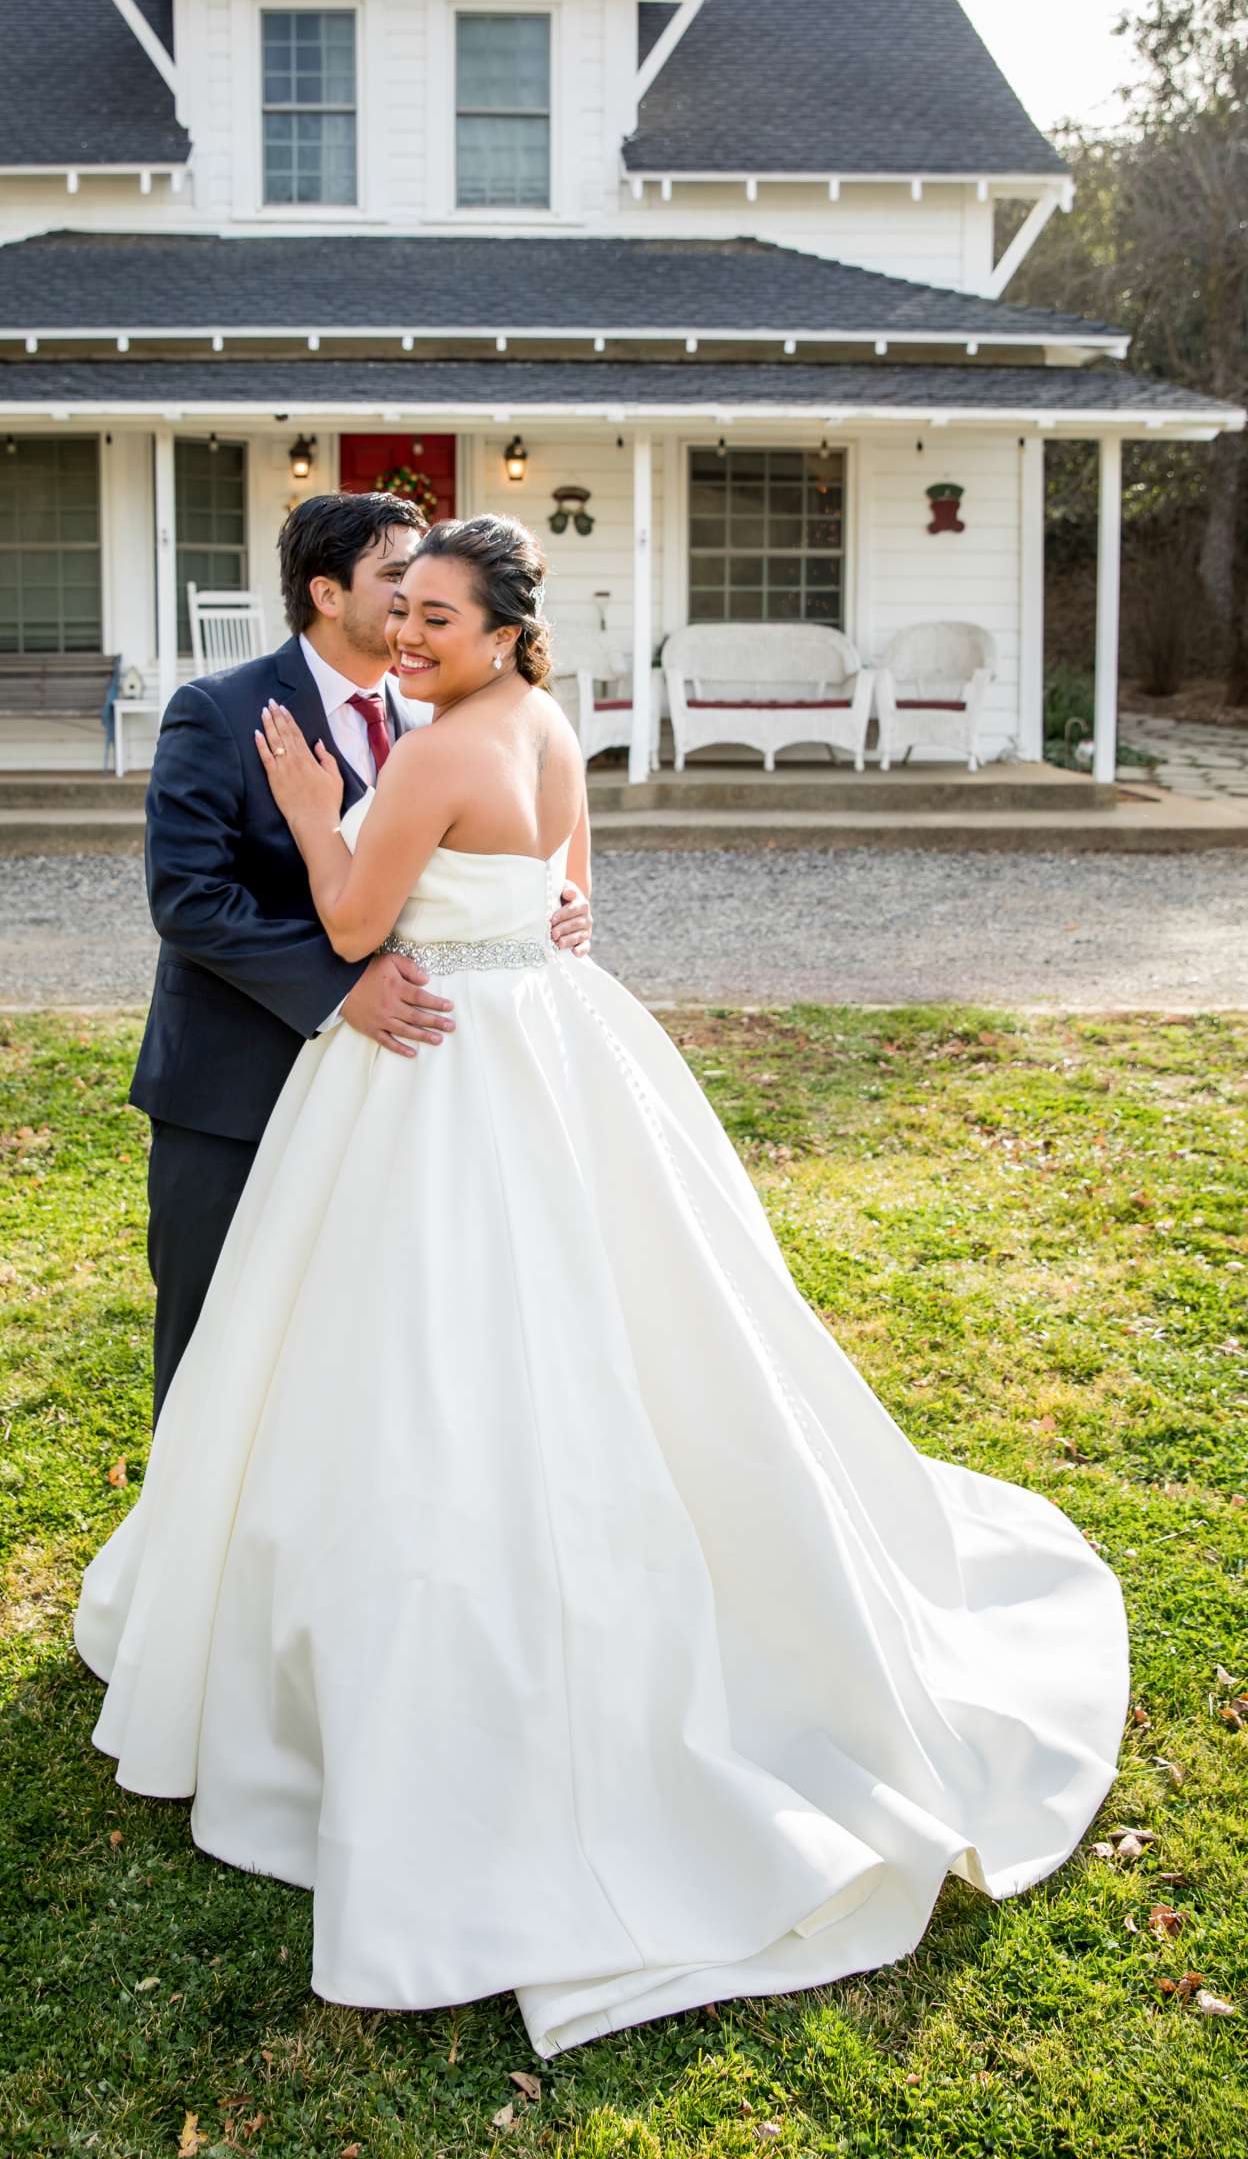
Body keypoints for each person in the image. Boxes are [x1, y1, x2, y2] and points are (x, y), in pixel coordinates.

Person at [78, 514, 1128, 2059]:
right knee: (567, 1324)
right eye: (401, 607)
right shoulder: (547, 721)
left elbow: (362, 920)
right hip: (540, 1055)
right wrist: (539, 919)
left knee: (427, 1340)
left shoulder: (431, 750)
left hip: (438, 1076)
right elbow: (566, 888)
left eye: (437, 614)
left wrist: (318, 813)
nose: (412, 634)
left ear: (503, 630)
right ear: (338, 596)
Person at [128, 489, 592, 1422]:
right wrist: (345, 987)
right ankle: (188, 1545)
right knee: (215, 1333)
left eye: (431, 594)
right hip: (238, 1085)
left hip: (407, 1097)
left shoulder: (442, 710)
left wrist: (552, 903)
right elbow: (189, 901)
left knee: (364, 1347)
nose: (412, 608)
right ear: (327, 593)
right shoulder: (219, 712)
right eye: (396, 582)